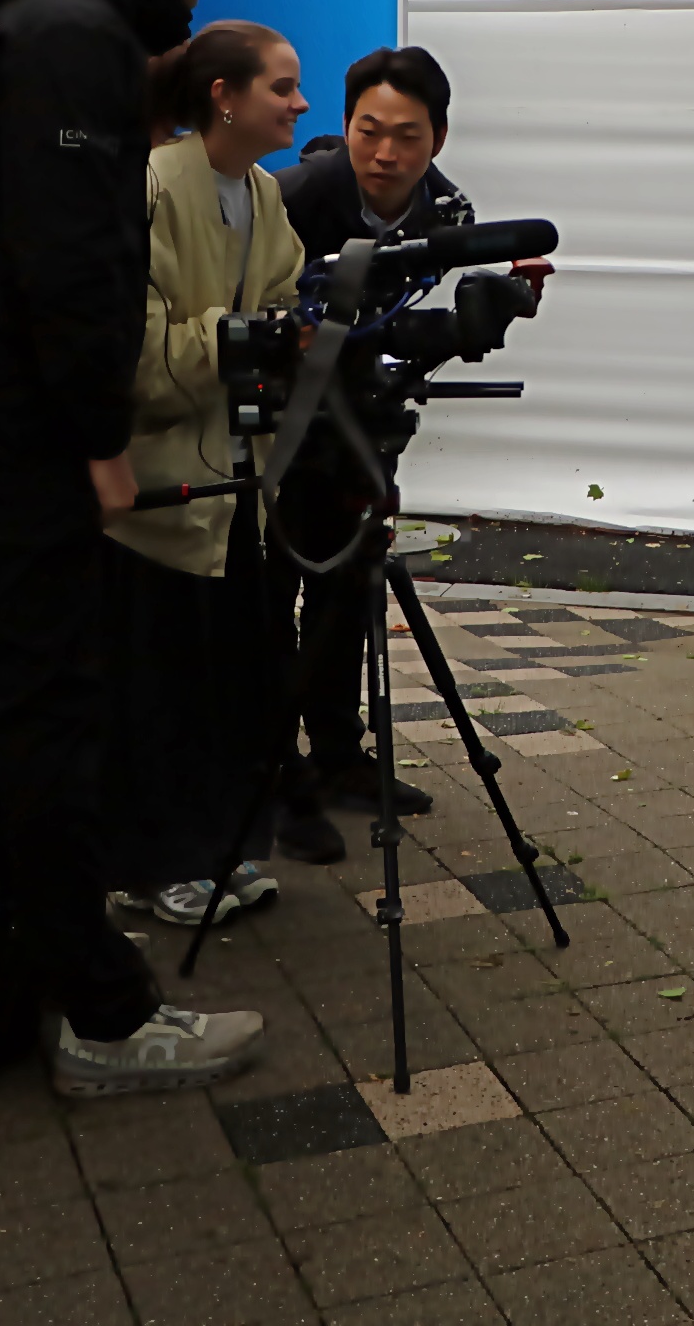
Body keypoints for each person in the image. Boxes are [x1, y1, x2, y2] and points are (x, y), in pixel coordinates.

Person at [0, 0, 285, 1096]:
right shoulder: (78, 34)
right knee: (52, 706)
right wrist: (101, 443)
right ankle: (102, 1015)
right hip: (22, 422)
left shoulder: (25, 5)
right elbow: (73, 274)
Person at [99, 21, 309, 928]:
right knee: (158, 693)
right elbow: (133, 357)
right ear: (223, 96)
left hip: (239, 494)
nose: (300, 103)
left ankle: (218, 851)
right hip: (159, 499)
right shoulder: (151, 187)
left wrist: (284, 338)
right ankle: (149, 867)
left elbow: (290, 305)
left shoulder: (264, 193)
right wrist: (243, 338)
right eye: (282, 87)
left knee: (230, 689)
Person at [264, 45, 474, 862]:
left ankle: (339, 756)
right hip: (275, 430)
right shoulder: (289, 198)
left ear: (438, 139)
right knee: (268, 600)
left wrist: (470, 325)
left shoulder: (447, 212)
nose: (385, 153)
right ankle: (273, 777)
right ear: (345, 124)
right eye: (368, 130)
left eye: (408, 137)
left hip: (361, 425)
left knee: (349, 591)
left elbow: (407, 330)